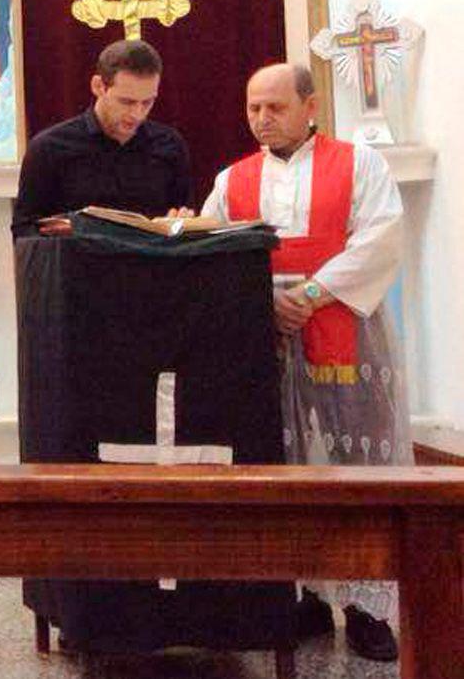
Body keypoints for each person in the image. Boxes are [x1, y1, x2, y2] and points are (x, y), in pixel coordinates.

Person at [202, 63, 409, 662]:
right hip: (264, 333)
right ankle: (307, 595)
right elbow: (212, 249)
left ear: (310, 106)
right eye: (253, 109)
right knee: (287, 463)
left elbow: (381, 237)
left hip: (345, 323)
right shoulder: (232, 179)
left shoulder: (359, 164)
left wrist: (311, 295)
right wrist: (266, 301)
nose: (262, 119)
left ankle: (367, 608)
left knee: (355, 465)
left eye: (276, 107)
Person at [12, 39, 192, 235]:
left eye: (147, 102)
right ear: (98, 86)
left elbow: (185, 218)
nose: (137, 114)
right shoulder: (49, 148)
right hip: (80, 263)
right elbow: (24, 232)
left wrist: (182, 222)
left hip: (150, 263)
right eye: (126, 102)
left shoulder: (169, 145)